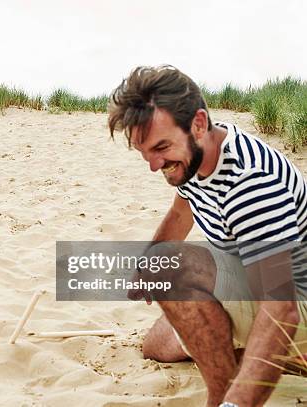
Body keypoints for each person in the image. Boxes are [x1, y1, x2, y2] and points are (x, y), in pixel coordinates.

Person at [107, 65, 307, 407]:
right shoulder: (195, 156)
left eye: (161, 148)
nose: (155, 166)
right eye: (146, 154)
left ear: (198, 123)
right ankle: (255, 359)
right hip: (253, 281)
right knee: (156, 345)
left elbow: (281, 306)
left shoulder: (250, 182)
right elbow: (181, 213)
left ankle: (222, 397)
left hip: (293, 299)